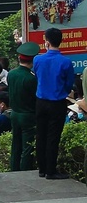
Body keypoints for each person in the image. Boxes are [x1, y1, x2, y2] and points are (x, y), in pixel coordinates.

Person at [33, 27, 75, 179]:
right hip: (57, 102)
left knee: (41, 134)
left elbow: (38, 76)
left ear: (47, 42)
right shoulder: (66, 62)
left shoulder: (37, 59)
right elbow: (69, 84)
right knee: (53, 136)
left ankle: (42, 169)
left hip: (41, 101)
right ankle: (51, 170)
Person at [7, 42, 39, 171]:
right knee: (27, 147)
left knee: (16, 144)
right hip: (28, 115)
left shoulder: (11, 74)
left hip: (14, 114)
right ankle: (25, 171)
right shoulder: (31, 78)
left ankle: (13, 169)